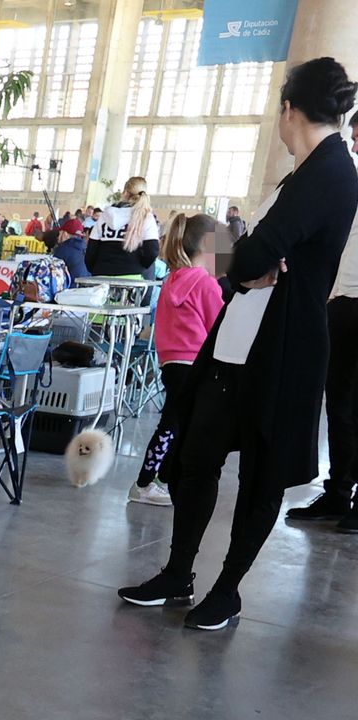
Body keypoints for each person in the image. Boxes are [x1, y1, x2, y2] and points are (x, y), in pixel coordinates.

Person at [119, 58, 358, 630]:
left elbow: (245, 254)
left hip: (280, 353)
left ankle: (226, 590)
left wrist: (250, 258)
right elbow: (237, 260)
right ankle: (179, 574)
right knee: (195, 458)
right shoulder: (300, 173)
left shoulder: (331, 170)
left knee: (260, 475)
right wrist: (249, 259)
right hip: (237, 343)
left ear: (288, 110)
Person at [286, 110, 358, 530]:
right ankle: (337, 493)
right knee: (341, 406)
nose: (353, 144)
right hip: (341, 301)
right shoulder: (347, 183)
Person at [127, 213, 225, 507]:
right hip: (194, 364)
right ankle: (147, 482)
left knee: (174, 424)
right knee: (173, 426)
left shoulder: (173, 280)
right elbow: (218, 326)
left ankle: (160, 480)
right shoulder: (206, 285)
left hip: (170, 363)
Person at [86, 177, 160, 277]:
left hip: (101, 275)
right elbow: (152, 251)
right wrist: (140, 265)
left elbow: (91, 249)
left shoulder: (105, 216)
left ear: (125, 192)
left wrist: (95, 269)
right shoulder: (146, 217)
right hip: (131, 277)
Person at [51, 217, 91, 282]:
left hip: (69, 289)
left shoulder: (63, 249)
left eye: (60, 233)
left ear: (65, 234)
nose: (58, 237)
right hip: (85, 288)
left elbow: (52, 273)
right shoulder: (85, 248)